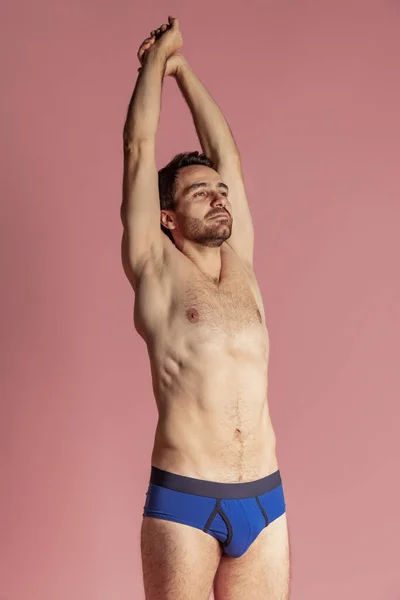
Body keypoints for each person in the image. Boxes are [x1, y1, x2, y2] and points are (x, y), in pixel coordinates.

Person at [121, 16, 291, 600]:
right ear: (167, 217)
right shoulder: (154, 267)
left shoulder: (240, 259)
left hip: (265, 499)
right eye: (201, 192)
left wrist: (185, 70)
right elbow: (140, 148)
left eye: (221, 192)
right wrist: (154, 63)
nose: (220, 199)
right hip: (186, 498)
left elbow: (229, 156)